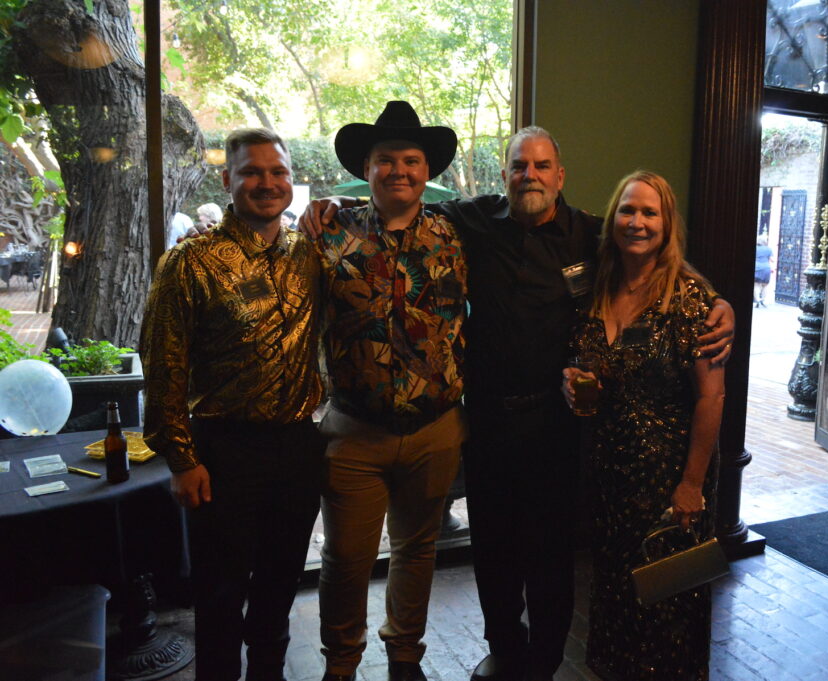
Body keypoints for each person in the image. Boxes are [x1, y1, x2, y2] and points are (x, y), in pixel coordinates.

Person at [302, 127, 735, 681]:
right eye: (518, 166)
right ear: (503, 176)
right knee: (494, 551)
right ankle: (505, 648)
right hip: (485, 420)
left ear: (560, 176)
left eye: (541, 166)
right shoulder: (467, 221)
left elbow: (653, 254)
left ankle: (547, 661)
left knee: (552, 557)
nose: (529, 175)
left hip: (558, 427)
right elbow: (400, 203)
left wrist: (719, 302)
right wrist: (338, 204)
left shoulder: (592, 235)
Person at [140, 128, 326, 681]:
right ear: (228, 180)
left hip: (297, 448)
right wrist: (180, 457)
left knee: (278, 589)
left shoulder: (311, 254)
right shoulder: (190, 262)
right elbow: (162, 366)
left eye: (278, 172)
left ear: (292, 181)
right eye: (252, 172)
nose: (266, 184)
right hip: (221, 453)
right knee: (220, 599)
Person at [317, 101, 467, 681]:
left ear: (426, 171)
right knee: (347, 559)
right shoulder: (331, 228)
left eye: (410, 160)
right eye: (386, 160)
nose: (398, 170)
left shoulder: (458, 232)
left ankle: (405, 655)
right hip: (355, 432)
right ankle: (341, 661)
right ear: (368, 167)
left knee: (416, 550)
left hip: (436, 429)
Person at [561, 171, 725, 680]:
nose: (637, 222)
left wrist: (692, 484)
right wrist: (569, 380)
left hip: (669, 477)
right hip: (611, 475)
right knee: (615, 600)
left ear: (667, 223)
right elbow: (584, 361)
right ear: (613, 220)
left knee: (667, 606)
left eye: (649, 213)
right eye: (628, 211)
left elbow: (711, 396)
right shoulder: (593, 287)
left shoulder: (691, 300)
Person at [753, 232, 773, 307]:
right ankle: (763, 300)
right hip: (766, 268)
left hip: (757, 268)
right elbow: (772, 260)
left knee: (756, 285)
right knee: (765, 285)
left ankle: (757, 299)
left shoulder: (756, 248)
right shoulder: (768, 249)